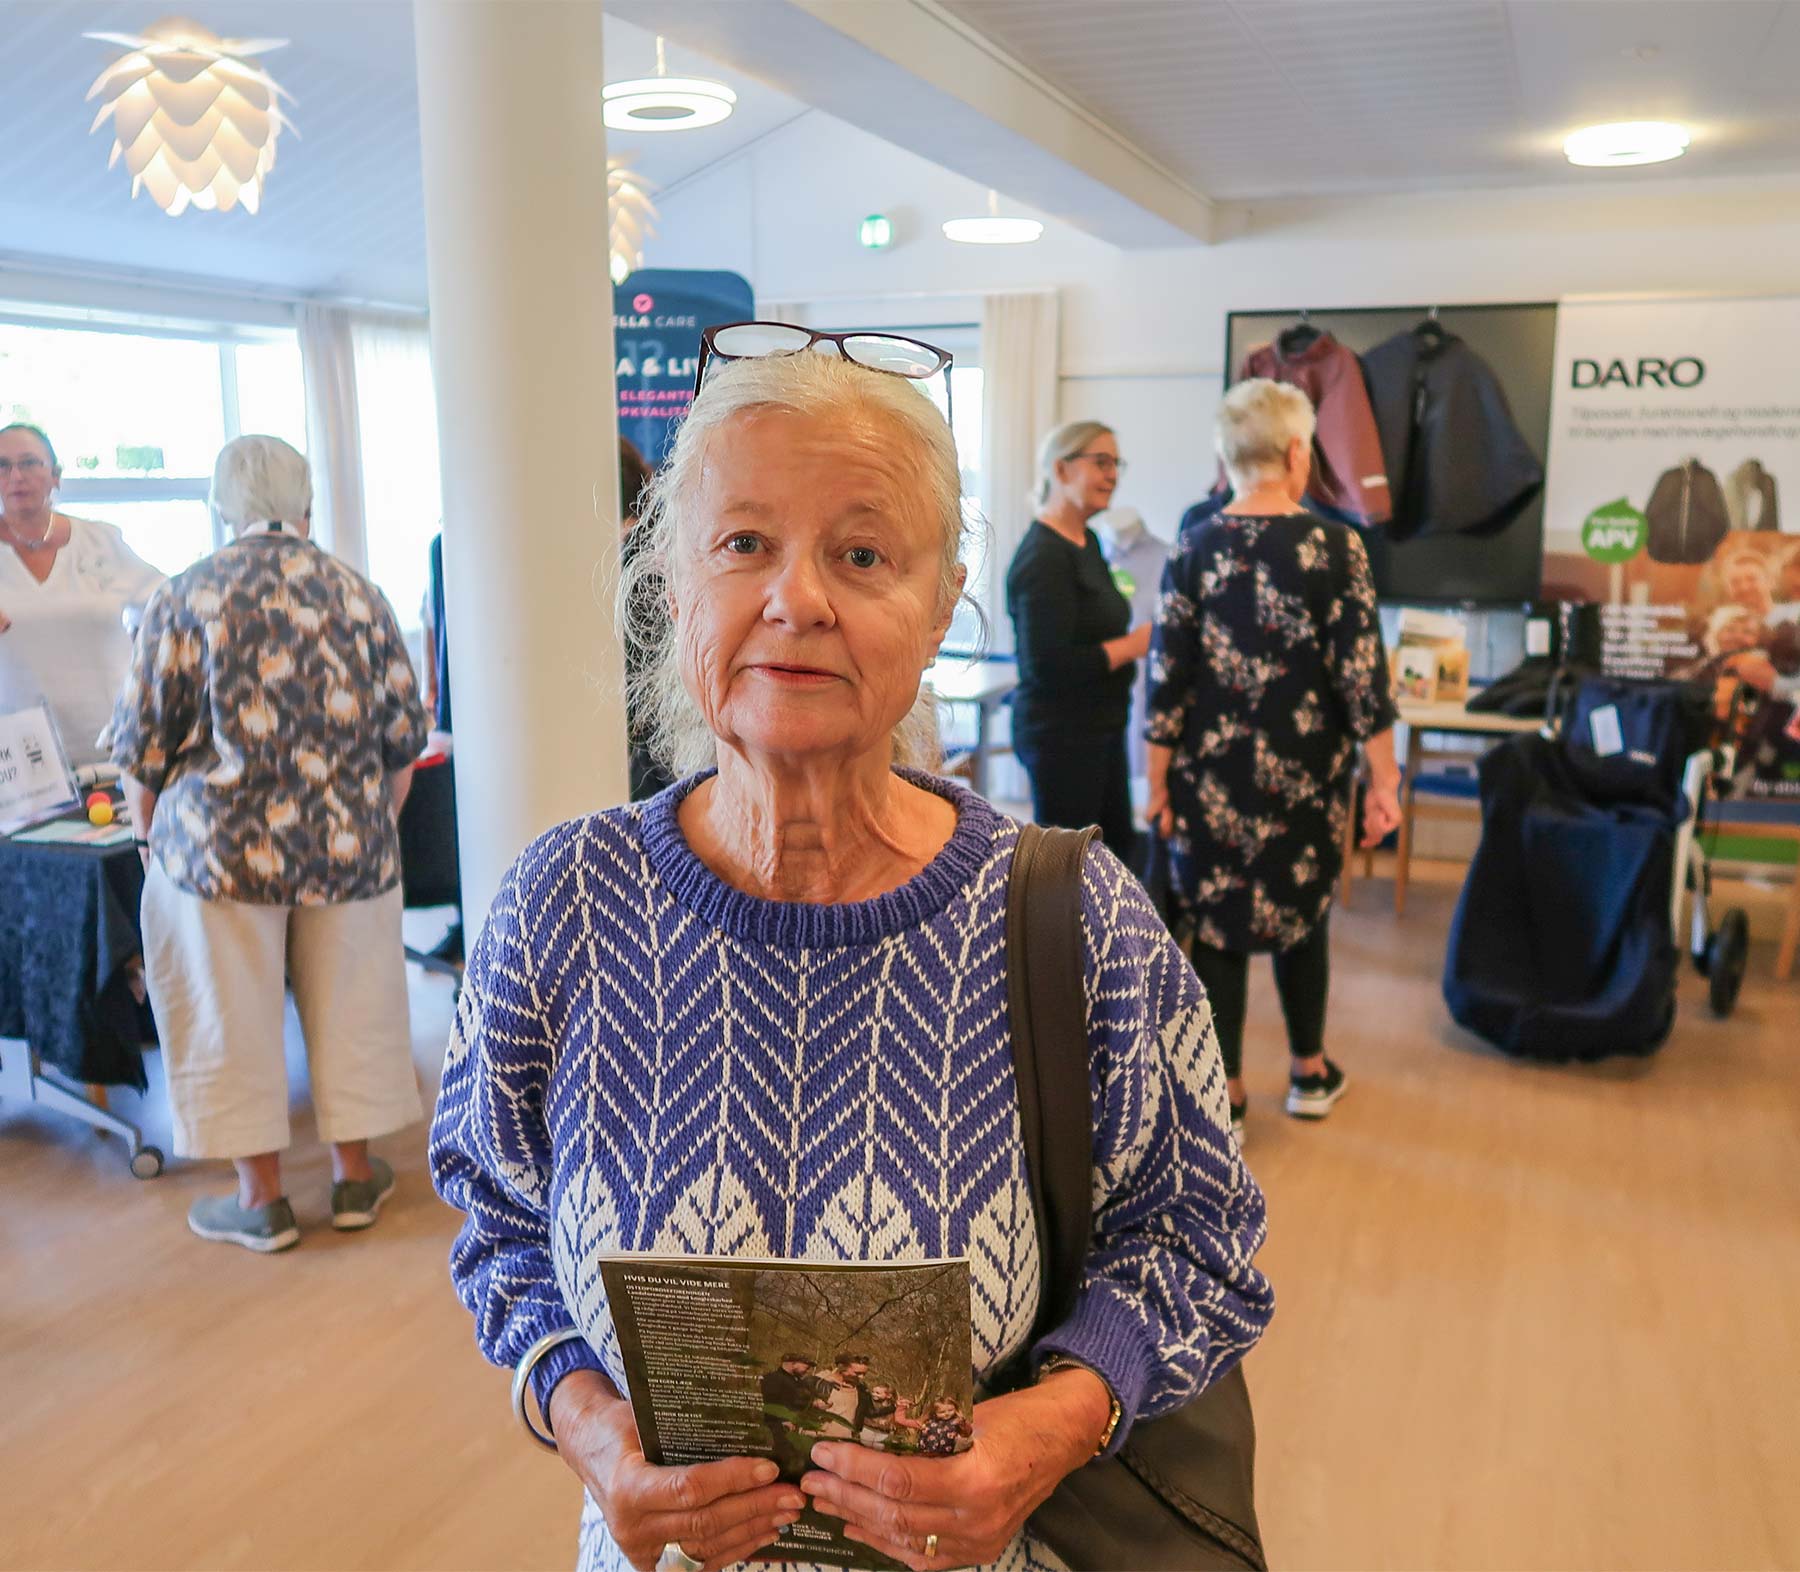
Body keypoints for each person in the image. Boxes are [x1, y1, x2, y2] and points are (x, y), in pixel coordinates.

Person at [430, 346, 1271, 1572]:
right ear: (673, 583)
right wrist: (584, 1421)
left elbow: (1197, 1234)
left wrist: (1049, 1426)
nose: (799, 599)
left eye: (864, 554)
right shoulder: (563, 902)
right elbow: (496, 1214)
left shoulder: (1068, 917)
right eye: (744, 545)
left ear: (941, 607)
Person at [111, 435, 429, 1253]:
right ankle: (356, 1181)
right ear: (305, 502)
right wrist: (368, 826)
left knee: (230, 1013)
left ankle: (261, 1202)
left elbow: (144, 747)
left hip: (219, 850)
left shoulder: (186, 595)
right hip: (349, 844)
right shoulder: (358, 592)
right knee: (355, 1007)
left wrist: (153, 840)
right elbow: (405, 738)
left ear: (225, 506)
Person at [1146, 379, 1403, 1145]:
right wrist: (1385, 783)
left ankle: (1225, 1093)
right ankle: (1309, 1072)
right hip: (1307, 778)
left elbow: (1168, 677)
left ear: (1226, 459)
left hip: (1209, 777)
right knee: (1302, 921)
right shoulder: (1336, 547)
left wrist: (1154, 783)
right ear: (1298, 453)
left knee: (1219, 928)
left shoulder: (1191, 545)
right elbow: (1365, 677)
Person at [1004, 421, 1150, 862]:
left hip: (1100, 728)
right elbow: (1046, 667)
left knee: (1116, 854)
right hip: (1062, 739)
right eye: (1101, 462)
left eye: (1116, 464)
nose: (1113, 475)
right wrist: (1134, 645)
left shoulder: (1084, 542)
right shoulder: (1043, 557)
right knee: (1069, 869)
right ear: (1061, 470)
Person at [0, 423, 164, 767]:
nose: (16, 476)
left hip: (112, 745)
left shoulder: (101, 540)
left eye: (29, 463)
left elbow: (174, 606)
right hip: (20, 760)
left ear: (55, 475)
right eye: (3, 465)